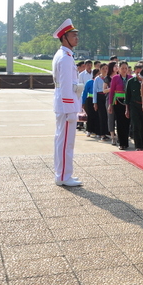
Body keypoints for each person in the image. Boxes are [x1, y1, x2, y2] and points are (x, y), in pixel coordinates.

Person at [51, 19, 84, 187]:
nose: (76, 38)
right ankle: (63, 176)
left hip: (65, 103)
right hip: (66, 105)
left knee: (62, 141)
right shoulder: (64, 58)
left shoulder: (65, 55)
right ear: (64, 37)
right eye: (73, 35)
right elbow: (65, 86)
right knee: (65, 143)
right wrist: (71, 109)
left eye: (77, 35)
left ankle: (63, 174)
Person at [125, 62, 143, 150]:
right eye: (137, 72)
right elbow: (127, 97)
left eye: (141, 72)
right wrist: (127, 110)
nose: (139, 74)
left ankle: (142, 143)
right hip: (134, 105)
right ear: (134, 72)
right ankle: (138, 145)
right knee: (136, 125)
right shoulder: (131, 82)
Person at [108, 61, 131, 150]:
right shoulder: (115, 78)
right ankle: (121, 143)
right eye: (122, 68)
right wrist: (110, 104)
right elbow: (111, 92)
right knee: (120, 122)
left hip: (127, 102)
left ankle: (126, 141)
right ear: (119, 69)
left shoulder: (130, 78)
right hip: (118, 102)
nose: (124, 70)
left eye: (126, 68)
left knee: (127, 122)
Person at [93, 63, 110, 141]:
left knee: (108, 115)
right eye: (103, 68)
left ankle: (107, 131)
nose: (105, 70)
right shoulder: (97, 79)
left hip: (107, 96)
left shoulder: (109, 78)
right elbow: (94, 91)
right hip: (100, 96)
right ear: (100, 69)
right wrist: (95, 102)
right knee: (102, 115)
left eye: (106, 68)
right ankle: (102, 134)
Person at [82, 68, 99, 138]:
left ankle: (97, 131)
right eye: (98, 73)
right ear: (95, 75)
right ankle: (89, 130)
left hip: (99, 100)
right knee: (90, 116)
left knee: (97, 116)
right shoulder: (89, 82)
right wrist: (83, 102)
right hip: (90, 100)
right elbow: (85, 92)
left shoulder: (101, 81)